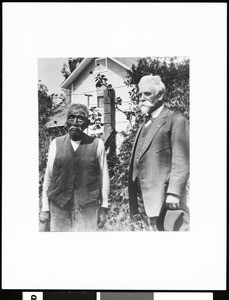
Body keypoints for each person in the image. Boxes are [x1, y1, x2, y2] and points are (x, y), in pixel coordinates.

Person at [128, 75, 189, 231]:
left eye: (147, 94)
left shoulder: (176, 120)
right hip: (144, 198)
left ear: (160, 95)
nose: (141, 98)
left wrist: (174, 193)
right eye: (140, 94)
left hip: (165, 199)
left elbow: (181, 160)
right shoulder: (144, 123)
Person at [40, 103, 109, 232]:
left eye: (80, 118)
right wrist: (45, 209)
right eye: (71, 117)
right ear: (66, 121)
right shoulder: (56, 144)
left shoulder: (97, 144)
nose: (75, 122)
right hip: (59, 206)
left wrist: (103, 208)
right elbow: (48, 178)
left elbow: (104, 178)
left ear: (87, 123)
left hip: (88, 206)